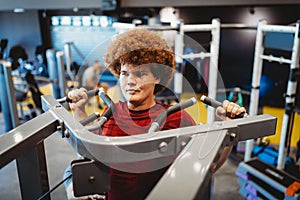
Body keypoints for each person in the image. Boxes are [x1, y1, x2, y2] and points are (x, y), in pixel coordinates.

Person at [66, 28, 246, 200]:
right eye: (124, 73)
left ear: (157, 77)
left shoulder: (175, 118)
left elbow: (210, 164)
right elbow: (89, 146)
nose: (130, 82)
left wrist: (225, 125)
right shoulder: (112, 112)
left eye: (140, 73)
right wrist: (79, 109)